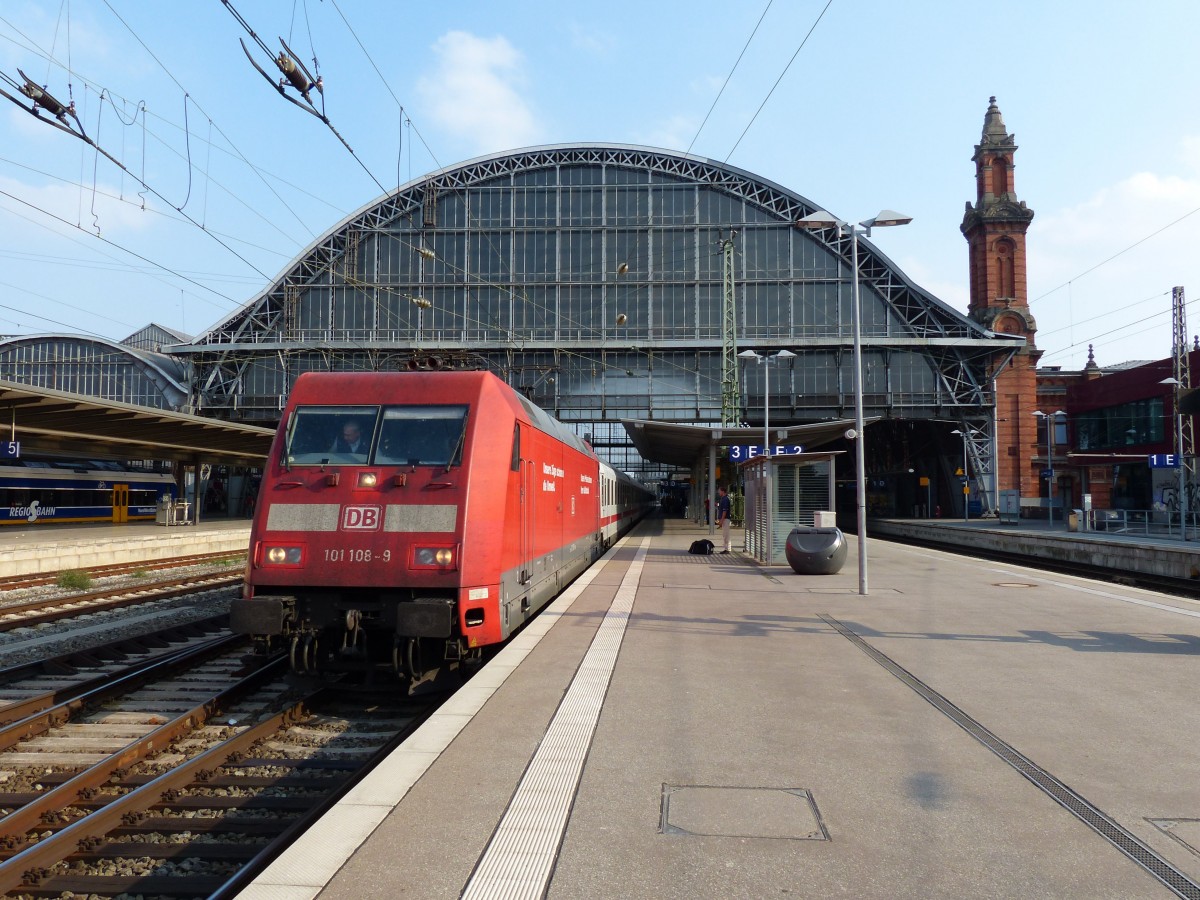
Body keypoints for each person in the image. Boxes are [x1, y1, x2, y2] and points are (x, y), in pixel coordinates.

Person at [715, 485, 732, 553]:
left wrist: (721, 520)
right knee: (725, 534)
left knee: (726, 535)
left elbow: (725, 511)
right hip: (724, 519)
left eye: (719, 491)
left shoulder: (725, 499)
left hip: (725, 519)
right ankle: (726, 548)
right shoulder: (723, 499)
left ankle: (727, 549)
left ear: (723, 491)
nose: (718, 492)